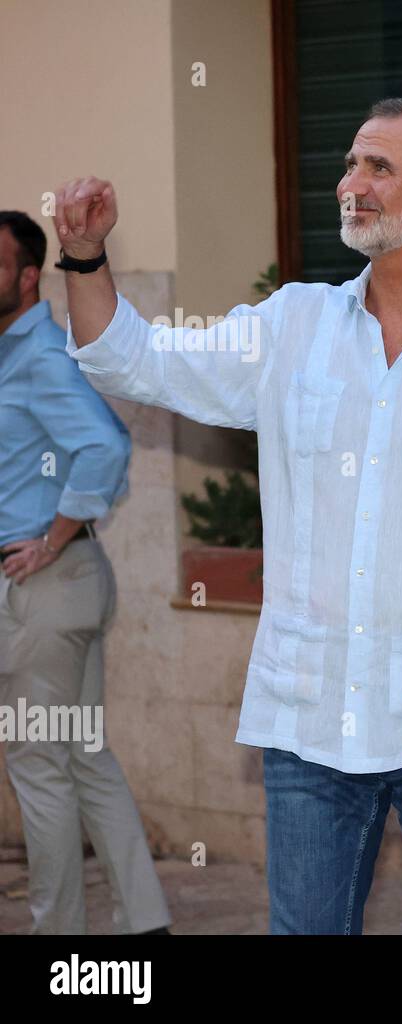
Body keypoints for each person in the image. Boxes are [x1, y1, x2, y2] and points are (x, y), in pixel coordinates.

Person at [53, 98, 402, 934]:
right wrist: (84, 258)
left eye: (379, 167)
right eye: (349, 165)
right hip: (311, 723)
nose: (352, 184)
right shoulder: (291, 326)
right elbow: (137, 362)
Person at [0, 210, 169, 935]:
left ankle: (55, 938)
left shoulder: (37, 352)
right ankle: (144, 924)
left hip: (45, 585)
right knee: (82, 757)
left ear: (28, 275)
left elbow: (103, 445)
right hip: (67, 582)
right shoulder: (17, 353)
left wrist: (50, 537)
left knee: (38, 766)